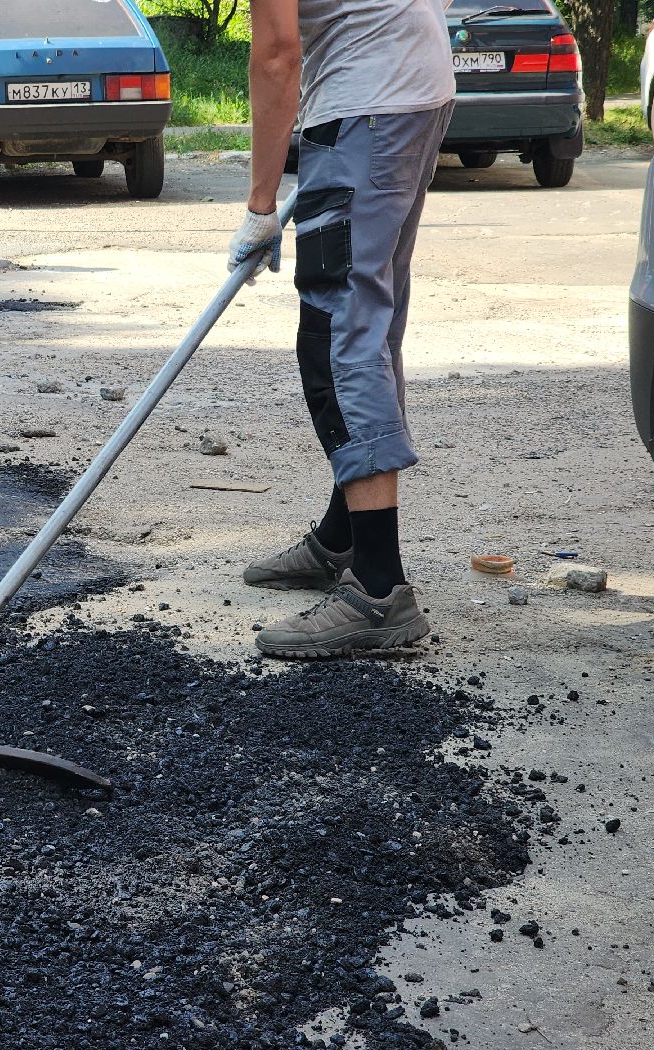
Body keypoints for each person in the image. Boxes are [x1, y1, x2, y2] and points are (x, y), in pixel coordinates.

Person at [232, 0, 455, 659]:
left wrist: (260, 205)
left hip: (368, 102)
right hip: (418, 94)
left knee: (338, 335)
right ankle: (346, 534)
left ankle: (380, 591)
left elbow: (277, 55)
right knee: (373, 324)